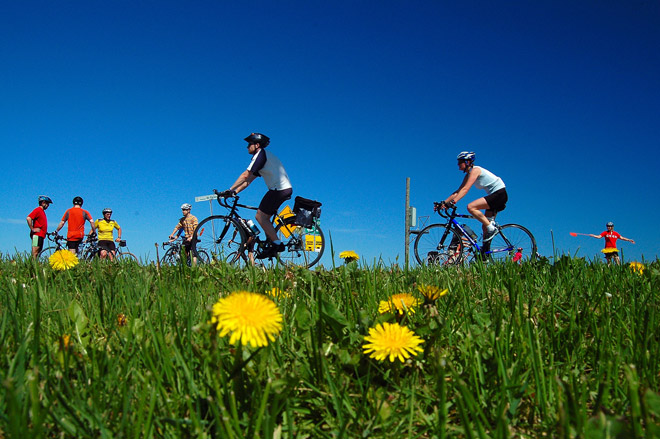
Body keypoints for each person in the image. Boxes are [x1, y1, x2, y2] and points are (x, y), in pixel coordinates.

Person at [220, 133, 293, 259]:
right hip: (281, 189)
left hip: (279, 190)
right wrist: (235, 192)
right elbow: (248, 181)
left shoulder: (260, 155)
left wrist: (230, 189)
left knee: (260, 216)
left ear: (257, 145)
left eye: (249, 144)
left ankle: (277, 244)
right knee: (265, 219)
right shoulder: (264, 157)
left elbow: (245, 175)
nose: (247, 147)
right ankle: (271, 244)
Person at [438, 151, 508, 244]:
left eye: (460, 162)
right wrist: (443, 203)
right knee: (485, 227)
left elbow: (466, 189)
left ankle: (492, 228)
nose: (458, 165)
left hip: (499, 194)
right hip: (495, 196)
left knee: (471, 207)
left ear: (467, 162)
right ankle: (485, 256)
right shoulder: (468, 175)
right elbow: (458, 191)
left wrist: (453, 202)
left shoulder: (475, 170)